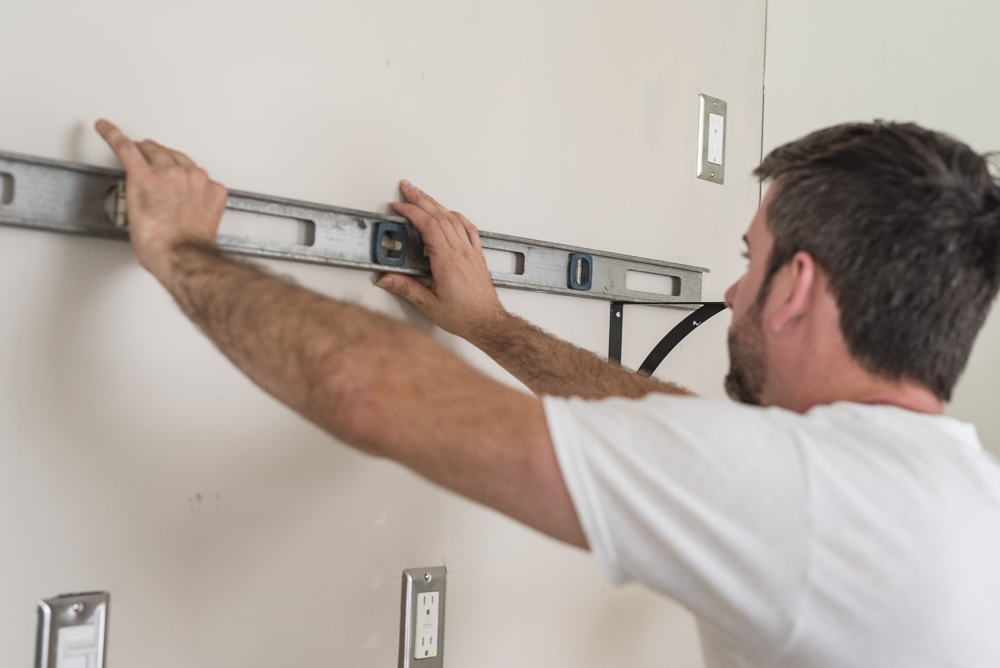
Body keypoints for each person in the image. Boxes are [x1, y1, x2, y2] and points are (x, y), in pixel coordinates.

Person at [93, 118, 1000, 667]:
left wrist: (183, 252)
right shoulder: (947, 495)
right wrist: (492, 327)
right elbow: (685, 438)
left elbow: (364, 391)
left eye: (749, 261)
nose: (731, 294)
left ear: (797, 286)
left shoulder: (808, 503)